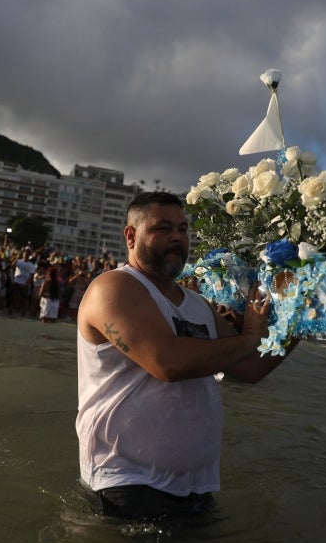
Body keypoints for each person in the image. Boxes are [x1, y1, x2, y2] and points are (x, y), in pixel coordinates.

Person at [75, 192, 296, 521]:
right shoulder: (113, 288)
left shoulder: (196, 303)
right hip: (126, 484)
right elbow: (168, 362)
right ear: (131, 235)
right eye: (163, 228)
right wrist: (250, 336)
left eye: (182, 229)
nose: (177, 237)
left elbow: (250, 367)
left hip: (196, 486)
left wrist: (305, 319)